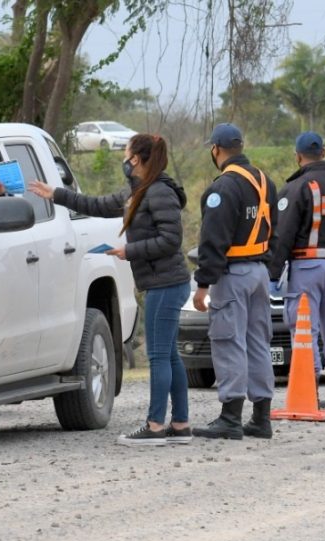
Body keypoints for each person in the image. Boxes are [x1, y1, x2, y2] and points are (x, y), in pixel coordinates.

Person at [29, 134, 192, 446]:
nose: (125, 161)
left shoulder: (159, 193)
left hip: (167, 284)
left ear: (140, 160)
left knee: (158, 356)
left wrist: (129, 250)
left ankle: (155, 427)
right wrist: (57, 194)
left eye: (128, 156)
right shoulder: (139, 191)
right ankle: (181, 424)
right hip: (161, 282)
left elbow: (171, 240)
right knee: (169, 355)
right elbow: (98, 204)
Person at [190, 123, 277, 440]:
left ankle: (230, 417)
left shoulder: (222, 189)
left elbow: (213, 240)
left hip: (233, 274)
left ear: (217, 149)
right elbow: (273, 231)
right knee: (257, 343)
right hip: (259, 272)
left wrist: (202, 283)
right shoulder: (265, 181)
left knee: (229, 342)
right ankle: (261, 418)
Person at [268, 132, 325, 417]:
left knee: (305, 333)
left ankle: (309, 392)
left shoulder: (296, 188)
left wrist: (273, 273)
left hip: (306, 267)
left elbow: (283, 236)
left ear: (298, 156)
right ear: (324, 153)